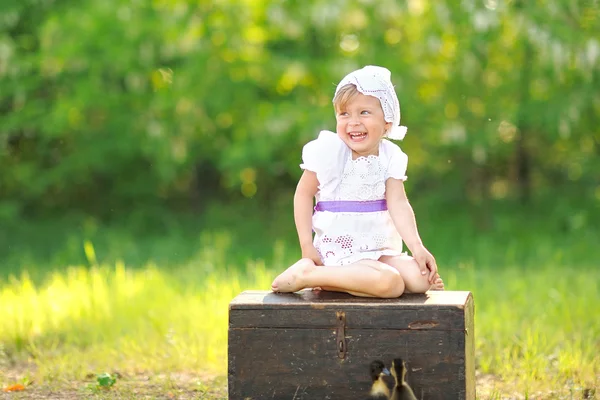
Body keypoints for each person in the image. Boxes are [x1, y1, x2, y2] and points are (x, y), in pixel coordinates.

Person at [271, 65, 444, 298]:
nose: (353, 122)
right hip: (339, 252)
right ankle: (308, 275)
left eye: (364, 113)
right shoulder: (330, 152)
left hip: (378, 250)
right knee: (391, 284)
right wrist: (306, 246)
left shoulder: (390, 155)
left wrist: (417, 247)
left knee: (420, 280)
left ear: (387, 122)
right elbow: (303, 194)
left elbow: (399, 204)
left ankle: (344, 281)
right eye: (344, 114)